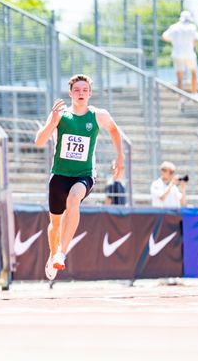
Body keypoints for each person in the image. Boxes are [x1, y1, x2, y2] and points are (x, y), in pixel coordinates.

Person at [34, 74, 124, 281]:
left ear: (90, 93)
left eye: (85, 90)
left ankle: (61, 253)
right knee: (55, 224)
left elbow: (115, 130)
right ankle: (52, 253)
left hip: (84, 174)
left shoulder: (98, 116)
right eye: (77, 90)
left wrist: (120, 157)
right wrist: (53, 122)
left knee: (74, 199)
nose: (81, 93)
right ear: (70, 93)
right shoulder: (60, 115)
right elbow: (39, 141)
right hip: (59, 174)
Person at [162, 10, 198, 101]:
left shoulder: (174, 27)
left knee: (180, 76)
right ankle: (194, 93)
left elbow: (164, 36)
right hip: (189, 53)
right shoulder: (192, 27)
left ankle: (180, 96)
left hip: (177, 53)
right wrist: (192, 45)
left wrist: (174, 41)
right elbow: (196, 39)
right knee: (193, 73)